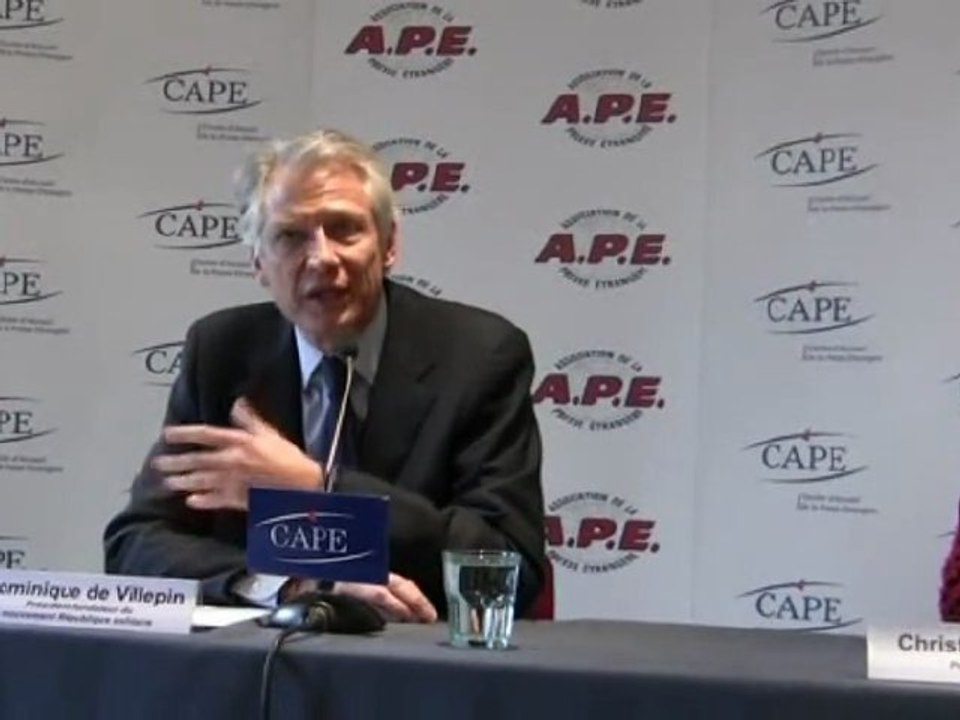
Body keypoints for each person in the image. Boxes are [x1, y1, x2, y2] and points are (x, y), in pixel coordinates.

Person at [103, 129, 546, 622]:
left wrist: (319, 488)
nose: (321, 258)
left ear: (389, 244)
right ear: (258, 263)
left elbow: (508, 566)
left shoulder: (478, 356)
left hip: (421, 665)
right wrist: (286, 587)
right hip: (261, 671)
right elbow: (135, 545)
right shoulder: (221, 353)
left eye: (343, 229)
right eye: (291, 236)